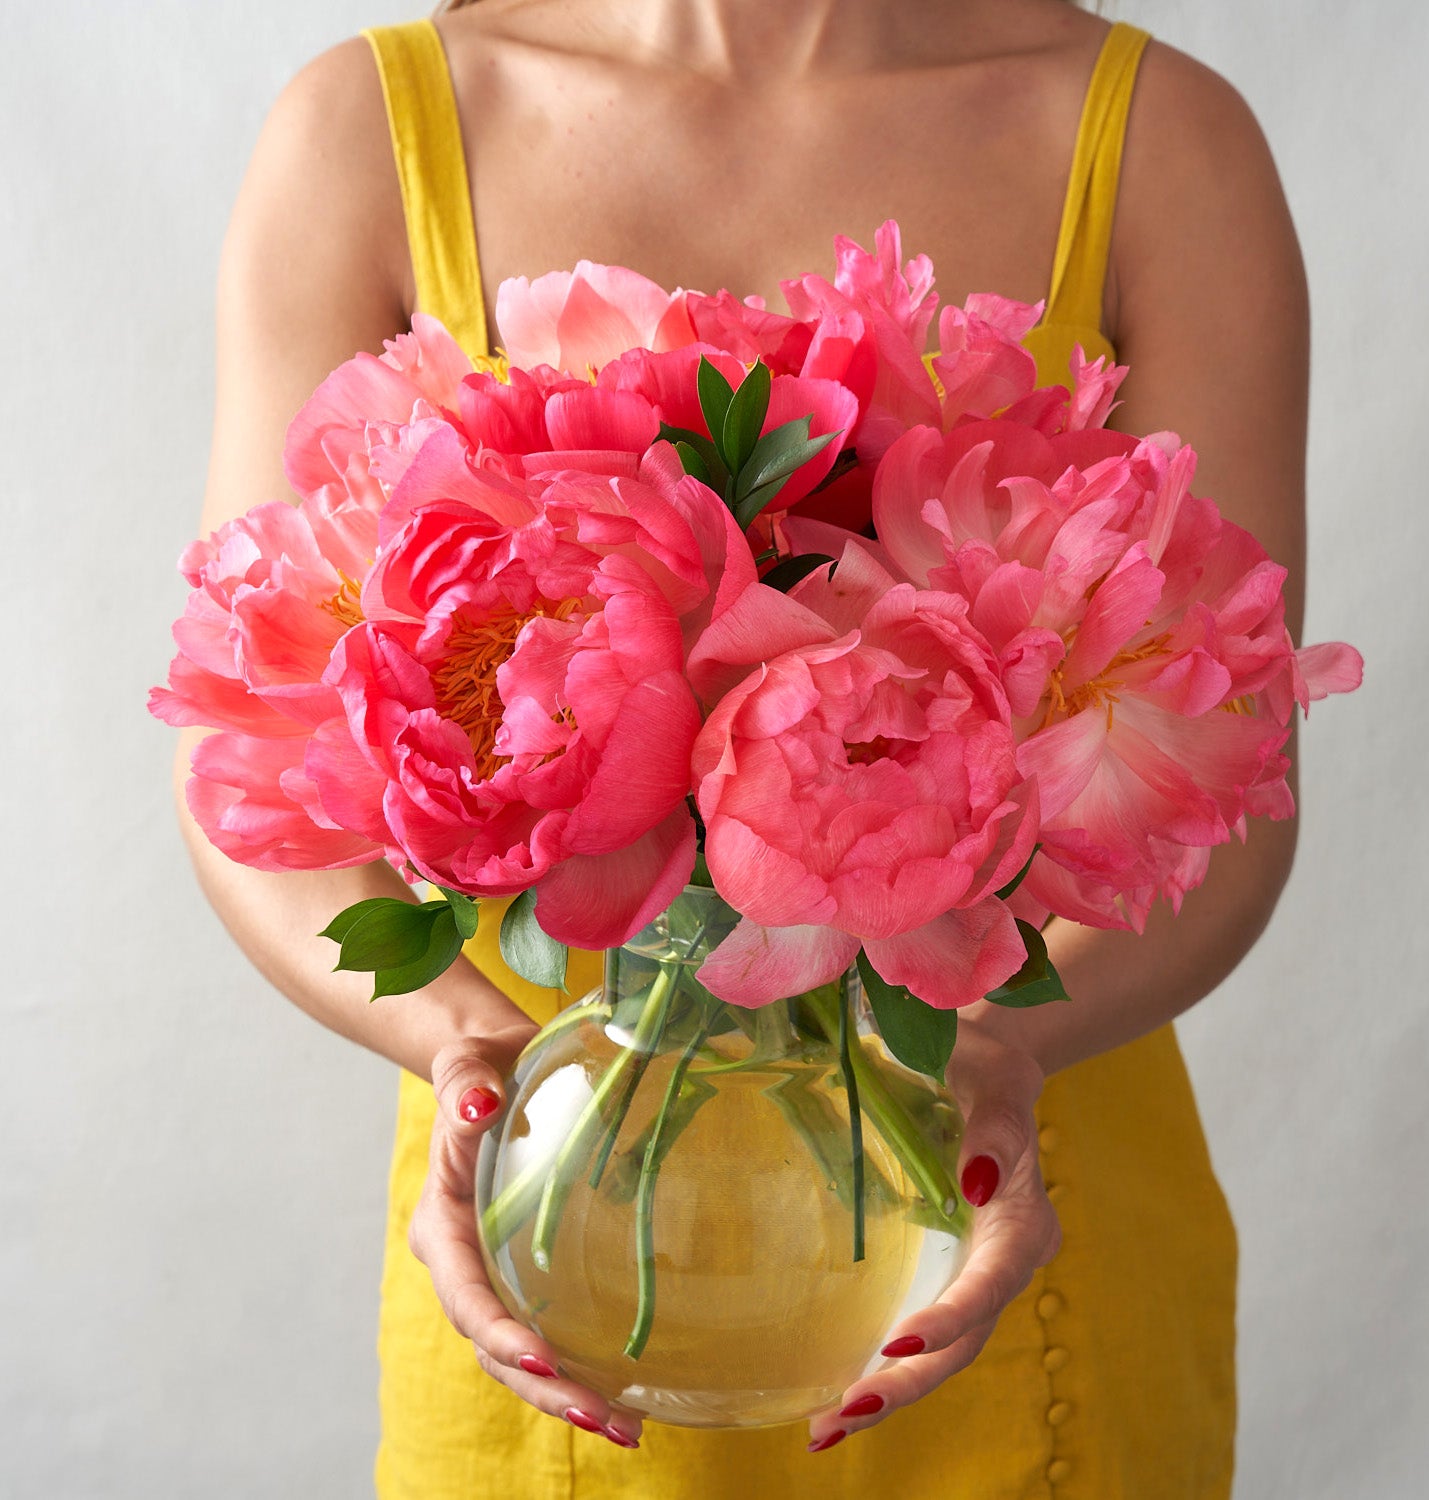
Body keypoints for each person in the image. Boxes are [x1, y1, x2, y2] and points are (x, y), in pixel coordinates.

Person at [177, 0, 1309, 1493]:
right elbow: (245, 751)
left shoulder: (1165, 138)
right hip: (553, 1217)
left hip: (997, 1241)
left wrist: (995, 1061)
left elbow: (1231, 778)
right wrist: (455, 1039)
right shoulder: (362, 133)